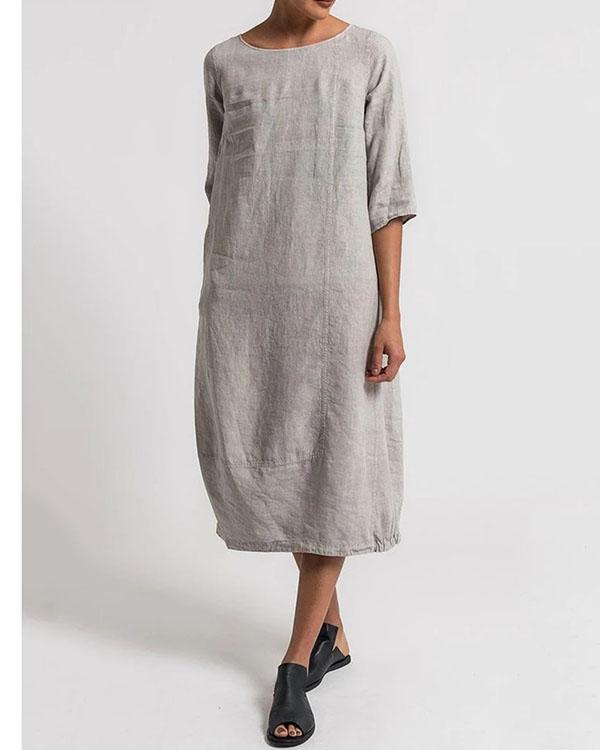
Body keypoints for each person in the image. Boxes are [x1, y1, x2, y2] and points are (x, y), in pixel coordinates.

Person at [194, 0, 417, 744]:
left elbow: (387, 192)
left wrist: (390, 313)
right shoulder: (226, 62)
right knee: (276, 460)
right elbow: (223, 185)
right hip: (244, 297)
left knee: (334, 461)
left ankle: (294, 664)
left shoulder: (368, 55)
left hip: (338, 298)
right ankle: (331, 634)